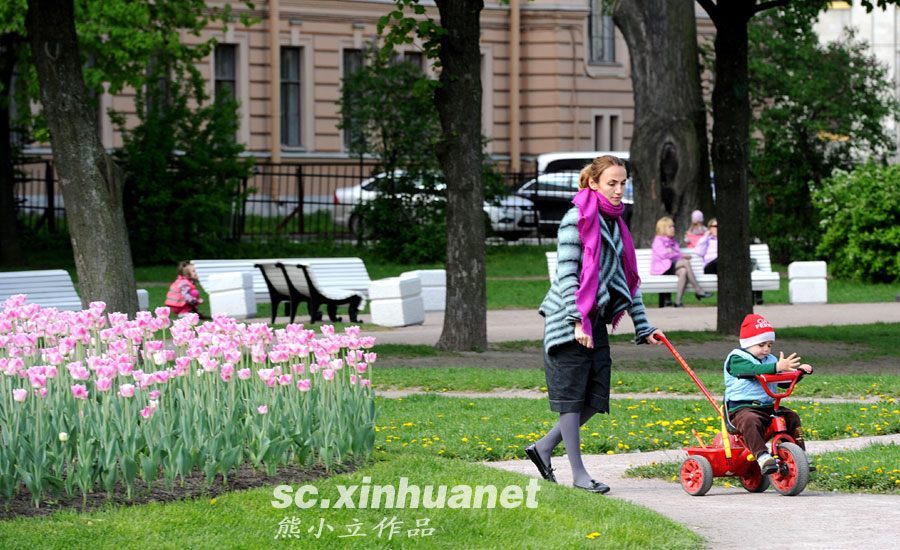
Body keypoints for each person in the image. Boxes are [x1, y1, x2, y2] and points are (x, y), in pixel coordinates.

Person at [527, 155, 665, 494]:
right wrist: (578, 321)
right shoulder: (576, 219)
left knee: (596, 395)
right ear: (593, 183)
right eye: (612, 183)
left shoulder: (615, 223)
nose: (619, 190)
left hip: (596, 320)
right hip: (568, 322)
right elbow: (568, 277)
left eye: (623, 183)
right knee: (572, 398)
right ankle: (579, 475)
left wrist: (643, 326)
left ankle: (543, 448)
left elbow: (627, 282)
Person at [725, 314, 813, 474]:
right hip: (742, 409)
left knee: (792, 417)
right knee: (750, 420)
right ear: (748, 344)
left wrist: (799, 373)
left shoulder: (770, 360)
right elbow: (751, 370)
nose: (766, 349)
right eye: (761, 344)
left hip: (768, 407)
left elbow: (782, 382)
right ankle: (762, 456)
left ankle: (800, 455)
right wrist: (777, 367)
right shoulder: (737, 359)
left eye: (769, 345)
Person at [650, 216, 711, 307]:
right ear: (663, 229)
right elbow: (664, 255)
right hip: (662, 268)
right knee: (685, 262)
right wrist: (680, 255)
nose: (673, 228)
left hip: (671, 266)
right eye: (670, 227)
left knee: (683, 271)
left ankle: (678, 301)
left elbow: (673, 254)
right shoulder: (658, 240)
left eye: (673, 226)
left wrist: (674, 253)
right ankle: (698, 290)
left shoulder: (673, 241)